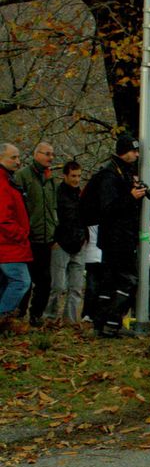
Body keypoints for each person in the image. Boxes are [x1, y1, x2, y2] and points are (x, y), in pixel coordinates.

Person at [91, 133, 146, 338]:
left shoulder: (123, 172)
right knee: (125, 280)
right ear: (124, 151)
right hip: (116, 238)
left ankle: (104, 323)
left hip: (122, 236)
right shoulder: (110, 175)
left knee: (111, 281)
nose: (137, 155)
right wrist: (130, 197)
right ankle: (111, 322)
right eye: (133, 151)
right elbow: (109, 207)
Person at [14, 141, 58, 326]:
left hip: (46, 238)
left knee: (45, 281)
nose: (50, 158)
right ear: (36, 154)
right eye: (47, 154)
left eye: (52, 154)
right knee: (26, 281)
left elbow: (53, 207)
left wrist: (54, 230)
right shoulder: (22, 176)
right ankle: (18, 315)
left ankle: (36, 315)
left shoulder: (50, 179)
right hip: (28, 238)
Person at [45, 160, 86, 322]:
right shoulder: (57, 194)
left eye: (79, 176)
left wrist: (83, 238)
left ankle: (70, 320)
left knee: (76, 287)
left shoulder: (80, 194)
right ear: (65, 175)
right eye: (73, 176)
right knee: (58, 286)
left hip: (78, 243)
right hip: (61, 244)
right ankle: (50, 316)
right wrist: (53, 241)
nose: (76, 179)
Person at [0, 143, 32, 334]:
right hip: (9, 245)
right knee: (21, 281)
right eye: (13, 157)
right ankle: (4, 317)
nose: (18, 162)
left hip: (10, 243)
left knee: (6, 283)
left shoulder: (8, 180)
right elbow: (3, 219)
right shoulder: (3, 184)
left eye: (18, 157)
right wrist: (21, 234)